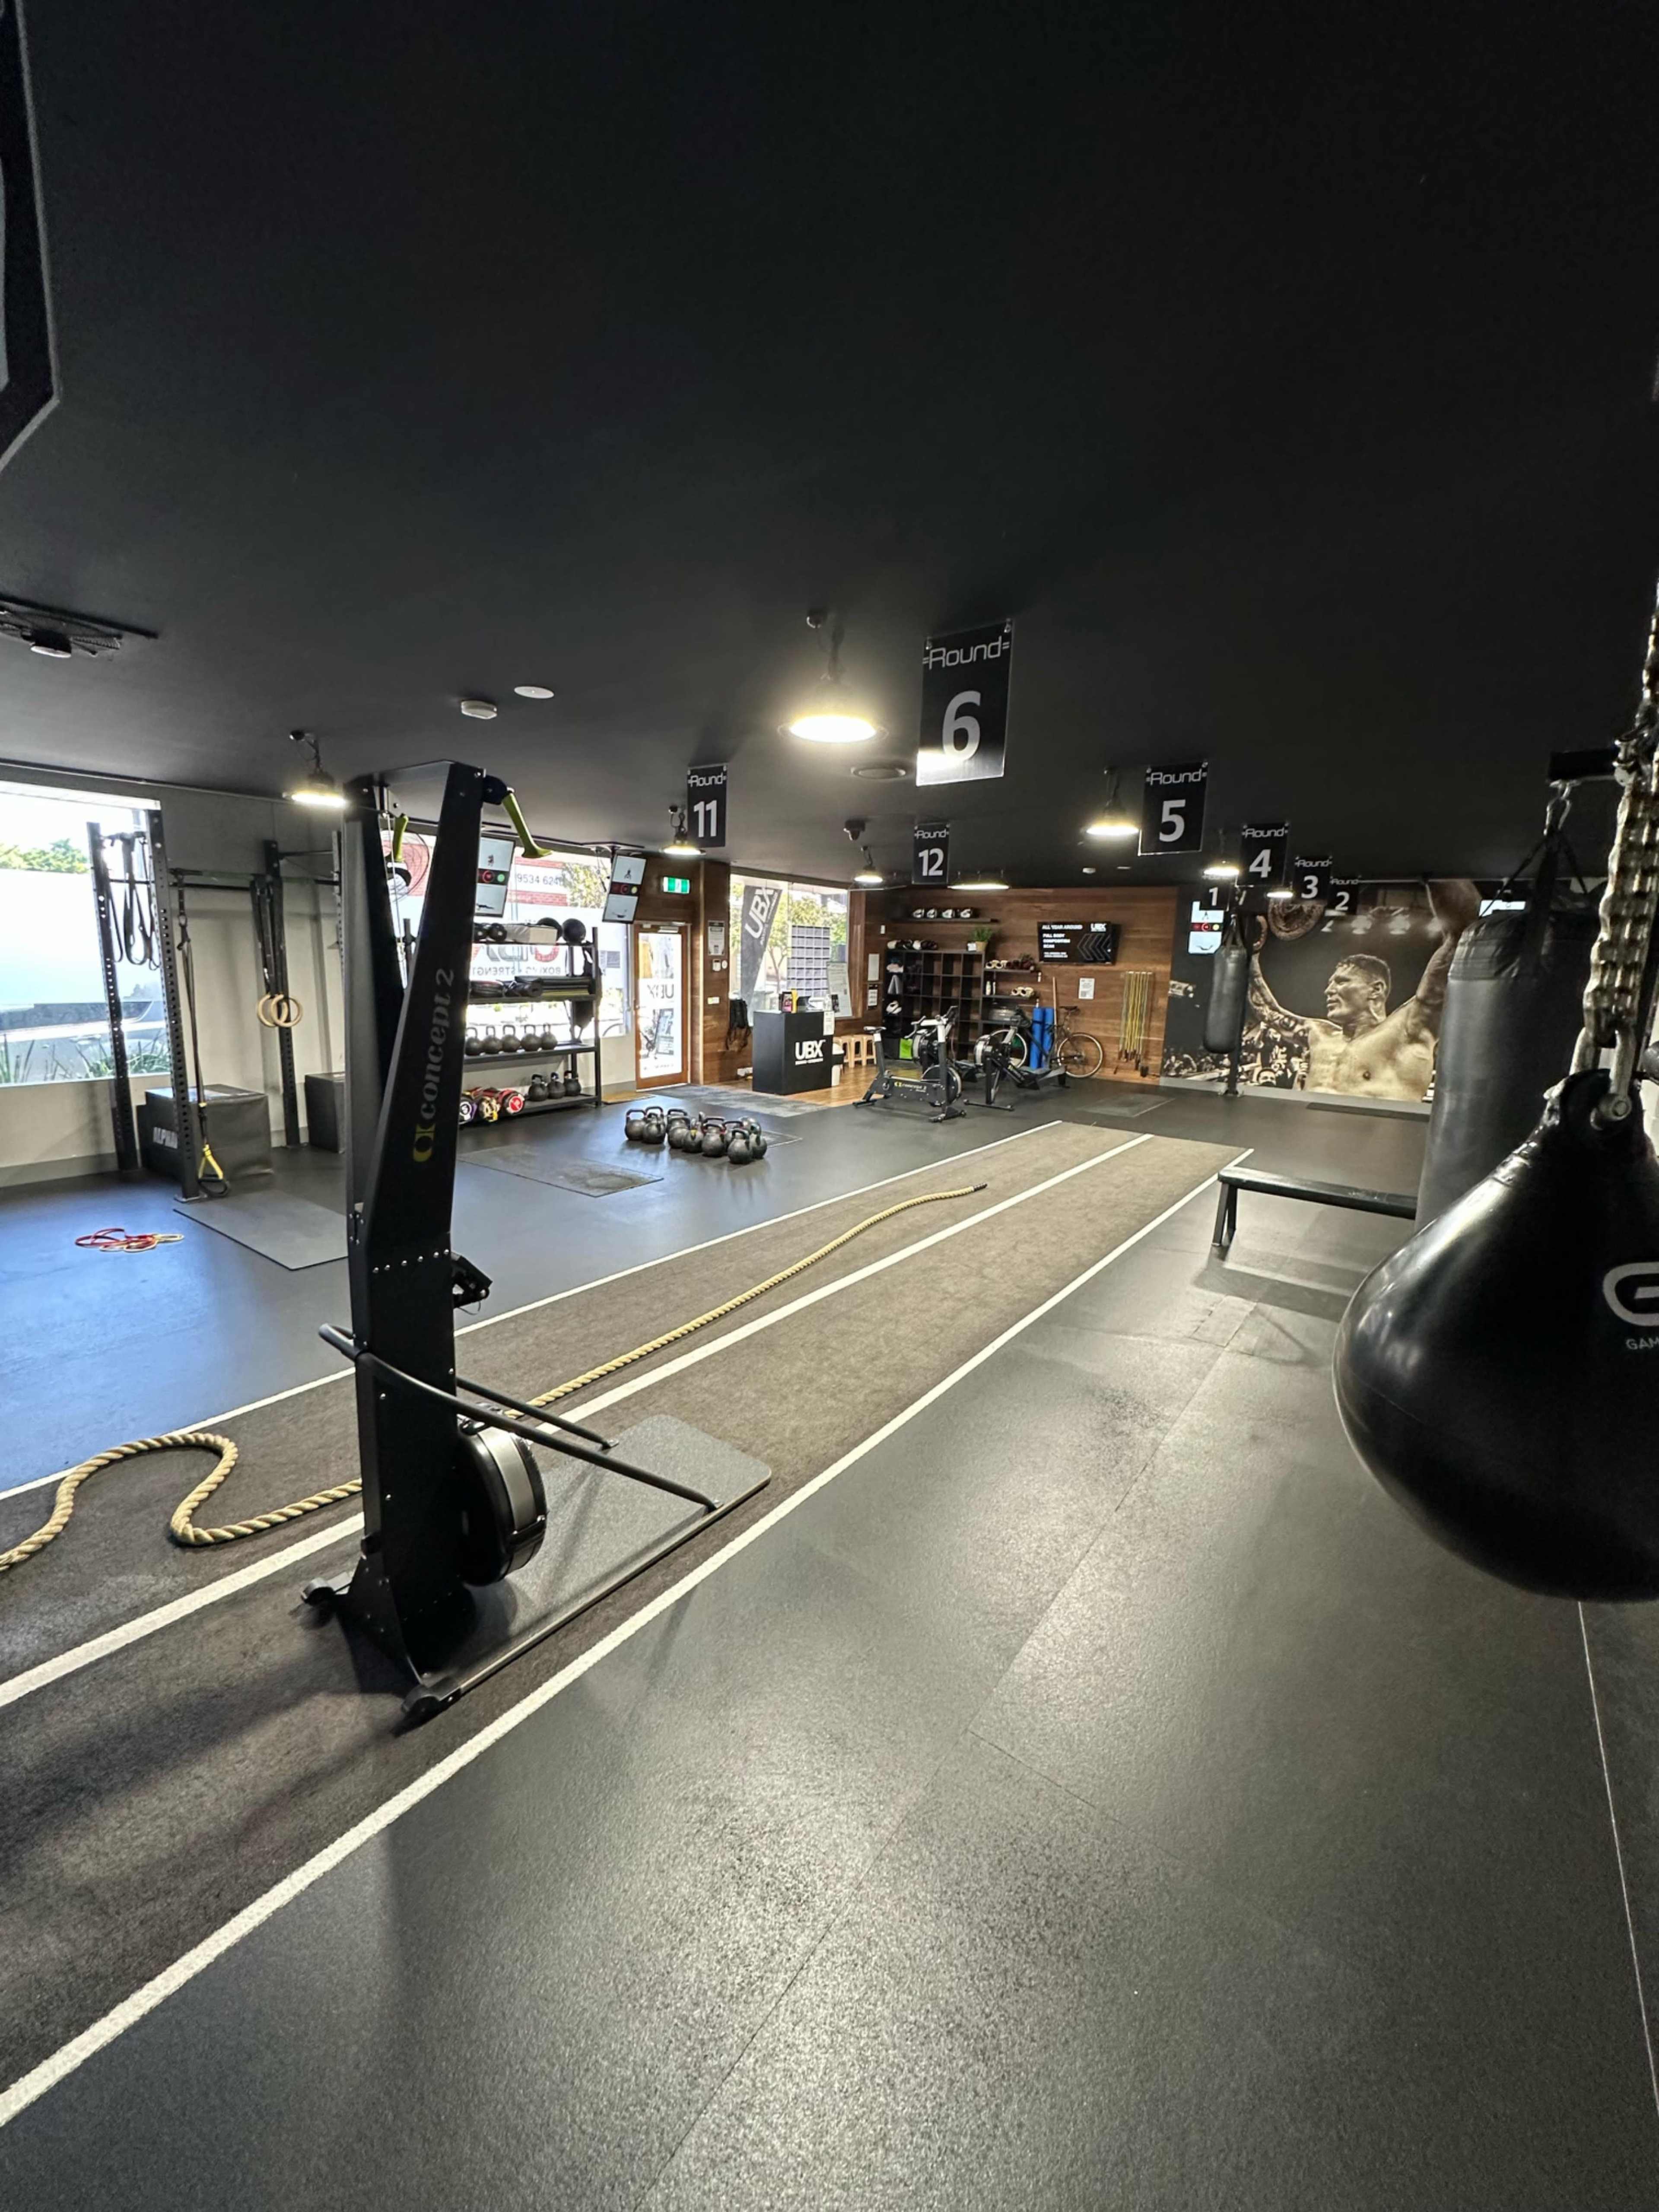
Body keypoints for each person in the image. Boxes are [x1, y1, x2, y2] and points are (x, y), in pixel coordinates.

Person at [1246, 880, 1481, 1098]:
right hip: (1306, 1137)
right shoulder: (1318, 1033)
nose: (1328, 991)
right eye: (1330, 984)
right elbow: (1268, 1010)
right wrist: (1250, 956)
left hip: (1372, 1140)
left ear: (1376, 990)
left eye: (1341, 982)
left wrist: (1439, 871)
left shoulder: (1408, 1030)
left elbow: (1461, 935)